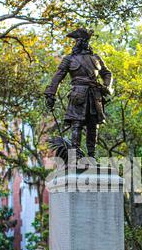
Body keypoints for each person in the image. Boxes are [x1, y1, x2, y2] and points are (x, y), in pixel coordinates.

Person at [44, 28, 113, 161]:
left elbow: (107, 73)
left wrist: (107, 86)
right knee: (77, 124)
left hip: (94, 95)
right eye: (79, 40)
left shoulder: (96, 58)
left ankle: (91, 156)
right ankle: (74, 156)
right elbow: (58, 76)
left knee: (93, 126)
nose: (80, 42)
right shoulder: (69, 59)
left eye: (83, 40)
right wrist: (51, 93)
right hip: (78, 94)